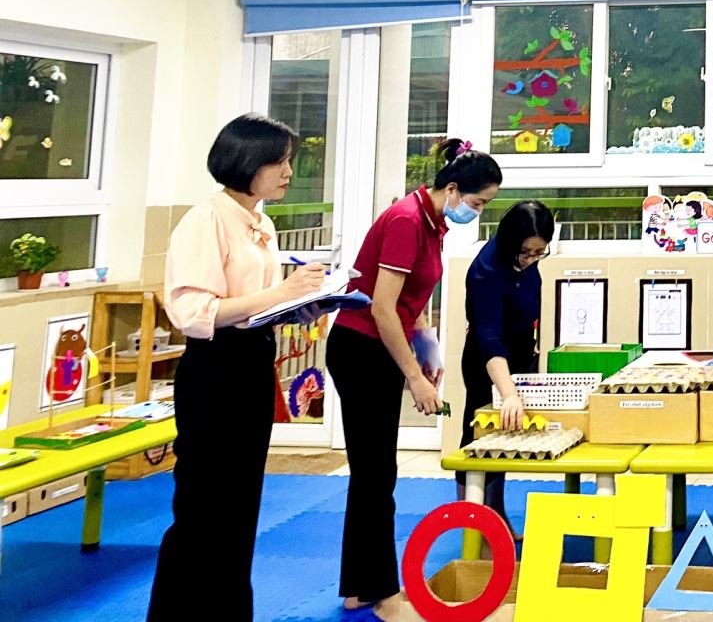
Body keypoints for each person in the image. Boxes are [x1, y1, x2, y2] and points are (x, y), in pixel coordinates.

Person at [148, 114, 328, 621]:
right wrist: (281, 293)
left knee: (240, 507)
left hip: (252, 363)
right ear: (247, 162)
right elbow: (193, 312)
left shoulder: (261, 222)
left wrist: (299, 306)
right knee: (203, 508)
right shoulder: (206, 219)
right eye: (279, 161)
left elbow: (255, 306)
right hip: (215, 369)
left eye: (289, 160)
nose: (288, 172)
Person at [327, 138, 502, 618]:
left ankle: (363, 584)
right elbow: (382, 309)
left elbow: (410, 300)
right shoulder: (407, 220)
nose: (478, 213)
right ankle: (374, 587)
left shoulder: (432, 221)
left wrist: (426, 347)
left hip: (382, 345)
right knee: (374, 472)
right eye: (477, 203)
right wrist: (414, 376)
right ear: (453, 189)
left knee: (377, 472)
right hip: (361, 348)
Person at [456, 199, 556, 525]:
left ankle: (495, 515)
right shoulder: (485, 271)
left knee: (507, 437)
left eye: (539, 253)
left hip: (520, 353)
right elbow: (489, 338)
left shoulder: (527, 262)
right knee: (480, 436)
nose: (530, 260)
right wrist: (508, 392)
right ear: (511, 242)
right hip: (487, 359)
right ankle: (473, 522)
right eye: (525, 252)